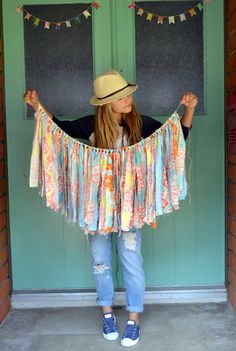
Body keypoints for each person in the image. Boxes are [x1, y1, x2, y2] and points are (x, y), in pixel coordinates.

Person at [24, 69, 197, 347]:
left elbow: (178, 137)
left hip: (130, 208)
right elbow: (57, 130)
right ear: (107, 103)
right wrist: (37, 105)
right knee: (100, 261)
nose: (128, 98)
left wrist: (188, 109)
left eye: (127, 93)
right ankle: (107, 314)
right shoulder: (91, 125)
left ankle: (133, 319)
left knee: (132, 261)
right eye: (120, 96)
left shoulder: (139, 124)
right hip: (97, 209)